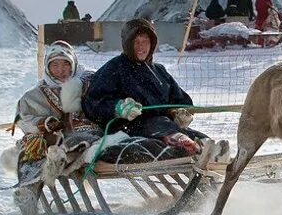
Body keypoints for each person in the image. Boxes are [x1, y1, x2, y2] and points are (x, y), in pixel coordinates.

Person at [84, 18, 208, 155]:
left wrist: (180, 111)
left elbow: (180, 99)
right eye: (136, 42)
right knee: (162, 127)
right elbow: (92, 103)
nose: (141, 47)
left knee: (194, 135)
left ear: (152, 43)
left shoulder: (158, 71)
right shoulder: (115, 68)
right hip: (129, 127)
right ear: (127, 44)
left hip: (163, 125)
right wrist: (119, 107)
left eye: (145, 42)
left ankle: (211, 150)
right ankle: (189, 147)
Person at [11, 41, 101, 214]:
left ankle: (61, 155)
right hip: (51, 138)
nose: (61, 70)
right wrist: (43, 123)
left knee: (80, 140)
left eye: (66, 64)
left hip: (86, 133)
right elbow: (24, 118)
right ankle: (28, 193)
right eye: (55, 65)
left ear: (73, 64)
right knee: (33, 148)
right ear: (47, 66)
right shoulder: (35, 95)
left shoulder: (89, 84)